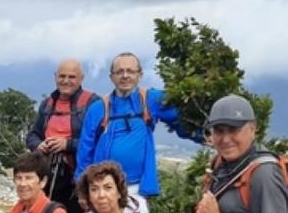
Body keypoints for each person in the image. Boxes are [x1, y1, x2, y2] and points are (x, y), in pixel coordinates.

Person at [75, 52, 198, 197]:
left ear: (140, 75)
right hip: (102, 187)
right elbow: (85, 149)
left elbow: (182, 116)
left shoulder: (151, 100)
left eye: (130, 71)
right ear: (111, 77)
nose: (125, 76)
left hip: (136, 187)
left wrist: (204, 134)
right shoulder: (98, 108)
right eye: (119, 72)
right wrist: (83, 190)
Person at [25, 59, 103, 213]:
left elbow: (100, 141)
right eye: (62, 76)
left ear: (81, 78)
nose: (66, 81)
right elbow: (33, 135)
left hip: (79, 177)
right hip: (48, 173)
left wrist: (67, 144)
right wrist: (39, 145)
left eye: (71, 77)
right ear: (55, 77)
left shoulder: (92, 103)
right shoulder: (47, 104)